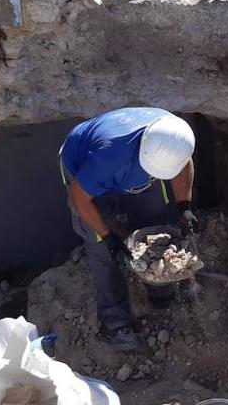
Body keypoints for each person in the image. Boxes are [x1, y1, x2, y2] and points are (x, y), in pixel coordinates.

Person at [60, 107, 198, 352]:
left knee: (154, 227)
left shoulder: (173, 136)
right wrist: (109, 237)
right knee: (103, 251)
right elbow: (81, 198)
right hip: (86, 173)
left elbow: (183, 163)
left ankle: (160, 286)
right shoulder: (108, 158)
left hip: (131, 171)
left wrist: (184, 206)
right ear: (144, 153)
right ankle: (116, 322)